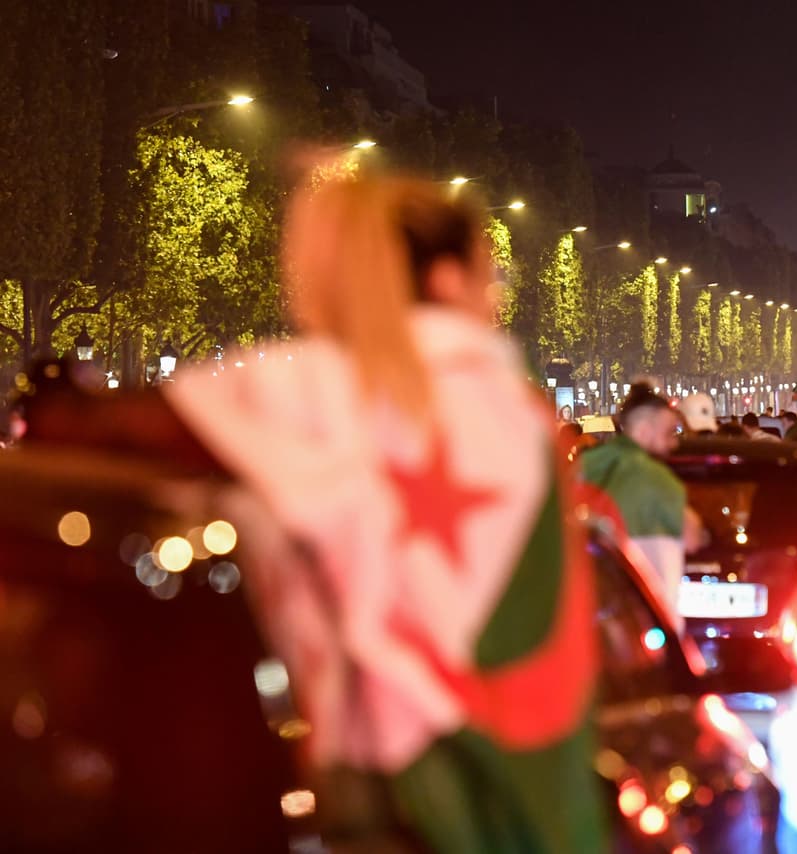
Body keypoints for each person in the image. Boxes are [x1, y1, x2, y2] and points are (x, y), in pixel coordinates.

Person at [162, 174, 605, 851]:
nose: (495, 297)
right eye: (492, 276)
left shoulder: (315, 395)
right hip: (454, 785)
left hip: (331, 775)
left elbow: (159, 417)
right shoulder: (495, 405)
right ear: (449, 278)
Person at [582, 383, 694, 612]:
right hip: (640, 610)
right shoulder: (658, 479)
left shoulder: (584, 465)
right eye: (668, 433)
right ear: (643, 430)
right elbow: (690, 537)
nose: (673, 443)